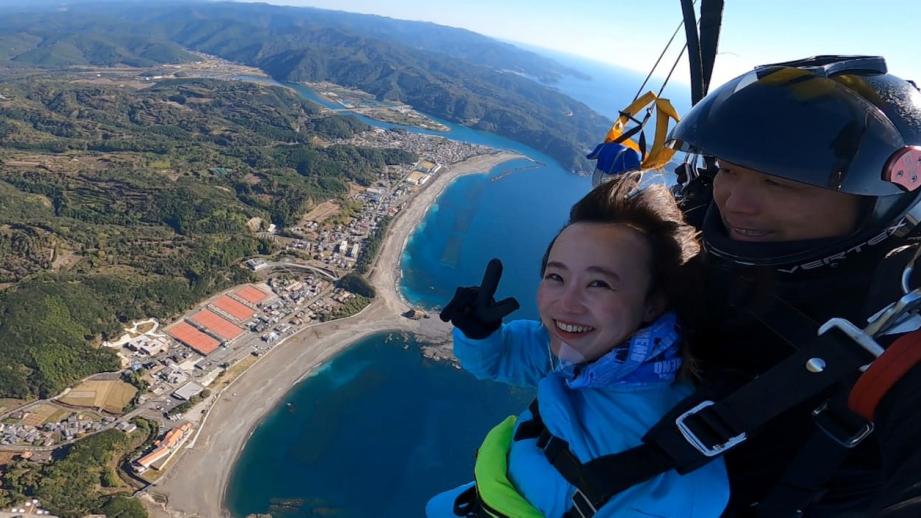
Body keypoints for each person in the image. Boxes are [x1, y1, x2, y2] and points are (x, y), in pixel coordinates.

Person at [662, 55, 921, 516]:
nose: (736, 204)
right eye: (727, 169)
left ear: (876, 200)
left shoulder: (898, 311)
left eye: (780, 185)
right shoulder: (688, 229)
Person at [429, 173, 729, 517]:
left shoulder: (673, 469)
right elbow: (499, 359)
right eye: (556, 277)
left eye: (599, 283)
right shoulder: (587, 354)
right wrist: (480, 333)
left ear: (654, 303)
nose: (566, 304)